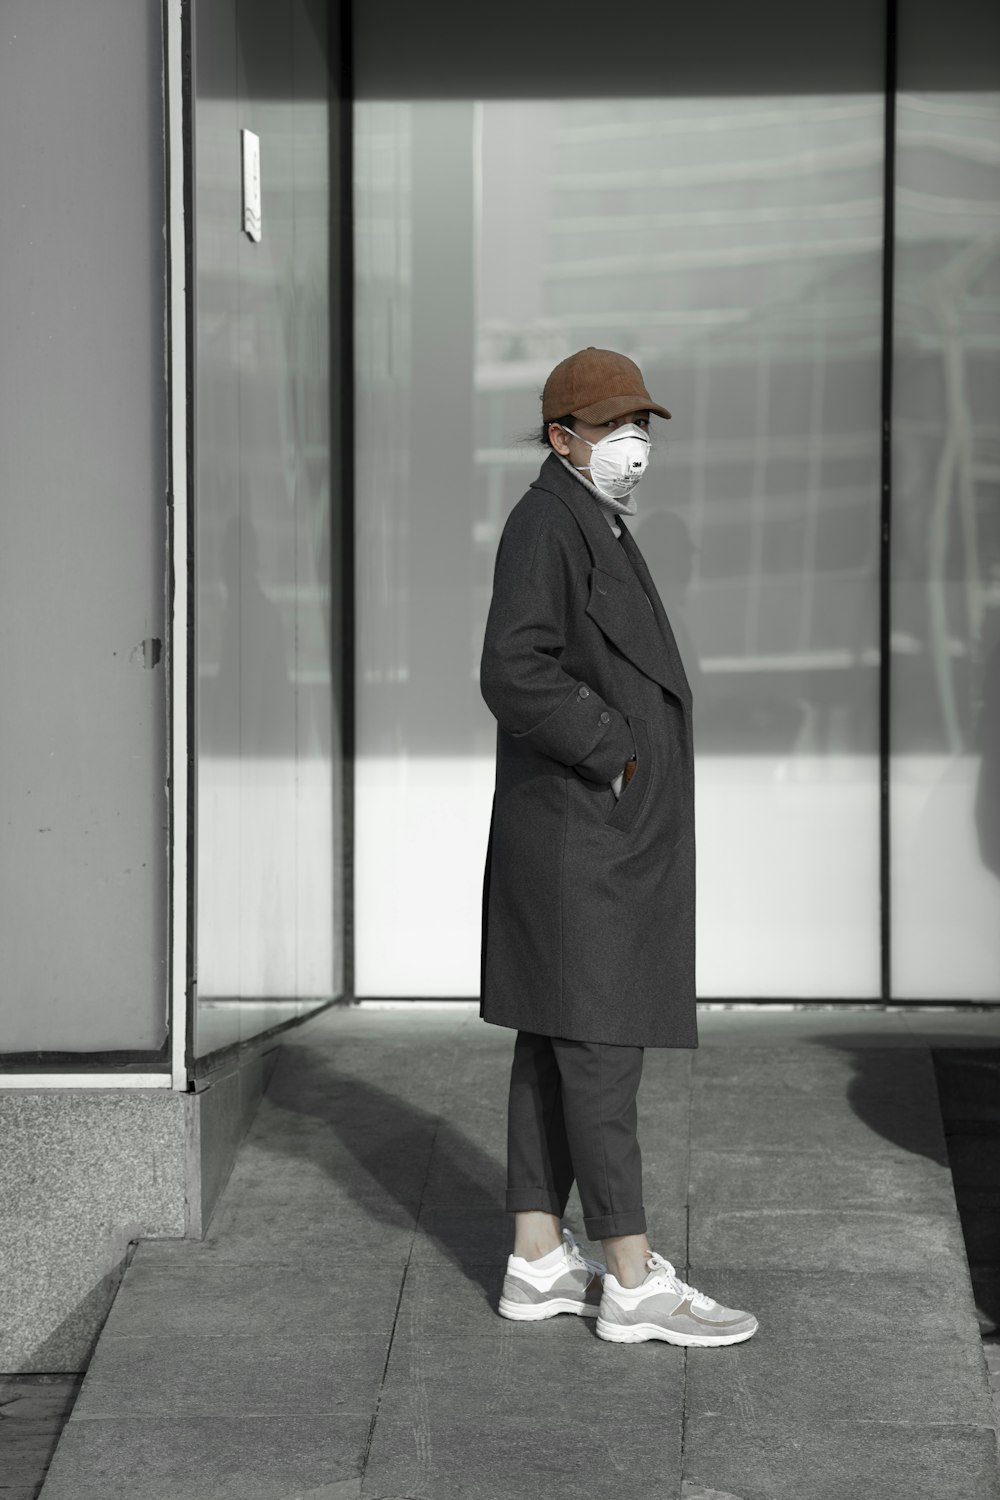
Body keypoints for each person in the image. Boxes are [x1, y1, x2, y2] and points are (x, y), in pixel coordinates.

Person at [478, 347, 757, 1346]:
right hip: (578, 834)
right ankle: (632, 1280)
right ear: (563, 439)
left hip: (582, 830)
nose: (633, 445)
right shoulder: (549, 522)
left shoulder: (583, 517)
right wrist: (615, 752)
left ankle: (538, 1257)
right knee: (598, 1047)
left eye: (640, 425)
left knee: (557, 1043)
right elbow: (514, 668)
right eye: (611, 428)